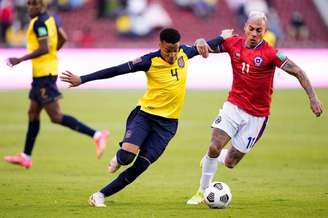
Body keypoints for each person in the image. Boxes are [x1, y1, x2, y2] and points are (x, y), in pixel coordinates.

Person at [60, 27, 233, 207]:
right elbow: (117, 70)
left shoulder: (185, 53)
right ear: (159, 45)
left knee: (140, 167)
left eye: (175, 50)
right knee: (127, 157)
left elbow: (208, 44)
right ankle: (119, 158)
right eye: (168, 50)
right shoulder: (149, 61)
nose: (173, 55)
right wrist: (83, 79)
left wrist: (222, 36)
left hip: (167, 126)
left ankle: (99, 195)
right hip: (145, 117)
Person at [186, 11, 323, 205]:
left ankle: (215, 158)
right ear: (245, 28)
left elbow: (298, 71)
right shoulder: (232, 43)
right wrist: (200, 40)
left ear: (265, 31)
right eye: (251, 29)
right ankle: (202, 191)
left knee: (231, 162)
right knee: (214, 146)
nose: (254, 33)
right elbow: (205, 47)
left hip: (257, 116)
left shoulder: (271, 53)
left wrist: (313, 98)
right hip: (233, 106)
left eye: (259, 30)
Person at [4, 0, 109, 169]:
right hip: (44, 73)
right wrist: (53, 53)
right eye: (29, 4)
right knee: (33, 113)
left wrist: (19, 59)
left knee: (56, 116)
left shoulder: (39, 23)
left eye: (34, 4)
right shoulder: (51, 19)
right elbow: (63, 38)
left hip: (44, 75)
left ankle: (97, 135)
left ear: (42, 5)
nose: (30, 7)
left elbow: (44, 48)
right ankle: (26, 156)